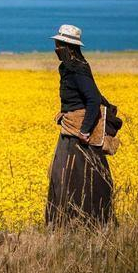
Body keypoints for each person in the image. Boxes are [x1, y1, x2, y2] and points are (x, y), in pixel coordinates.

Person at [45, 24, 117, 228]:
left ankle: (84, 223)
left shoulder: (78, 68)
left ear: (67, 46)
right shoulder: (67, 67)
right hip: (70, 129)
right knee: (64, 176)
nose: (56, 48)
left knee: (78, 178)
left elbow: (93, 99)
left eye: (58, 44)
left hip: (79, 133)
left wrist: (85, 130)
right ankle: (65, 224)